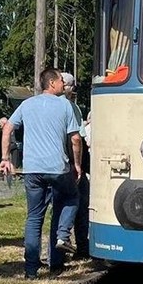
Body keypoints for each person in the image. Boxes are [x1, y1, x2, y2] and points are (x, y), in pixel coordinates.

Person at [0, 68, 83, 279]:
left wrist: (5, 158)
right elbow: (75, 139)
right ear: (52, 83)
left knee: (34, 217)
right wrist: (77, 164)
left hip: (32, 169)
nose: (64, 84)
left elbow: (7, 128)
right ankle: (62, 239)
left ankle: (30, 270)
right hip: (57, 167)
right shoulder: (65, 105)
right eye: (61, 81)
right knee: (70, 198)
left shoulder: (27, 104)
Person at [57, 72, 91, 260]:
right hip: (72, 161)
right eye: (71, 85)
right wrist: (80, 164)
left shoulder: (46, 105)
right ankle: (82, 246)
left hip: (55, 161)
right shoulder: (71, 107)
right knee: (79, 203)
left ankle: (57, 255)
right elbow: (78, 138)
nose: (73, 89)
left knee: (57, 207)